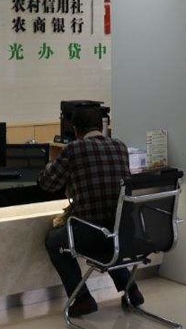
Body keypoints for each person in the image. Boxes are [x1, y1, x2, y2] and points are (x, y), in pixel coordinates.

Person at [38, 107, 142, 319]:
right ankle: (131, 289)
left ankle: (82, 299)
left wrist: (51, 166)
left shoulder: (73, 149)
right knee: (108, 239)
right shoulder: (120, 146)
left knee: (54, 241)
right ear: (101, 126)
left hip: (92, 232)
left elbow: (48, 184)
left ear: (75, 129)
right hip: (123, 231)